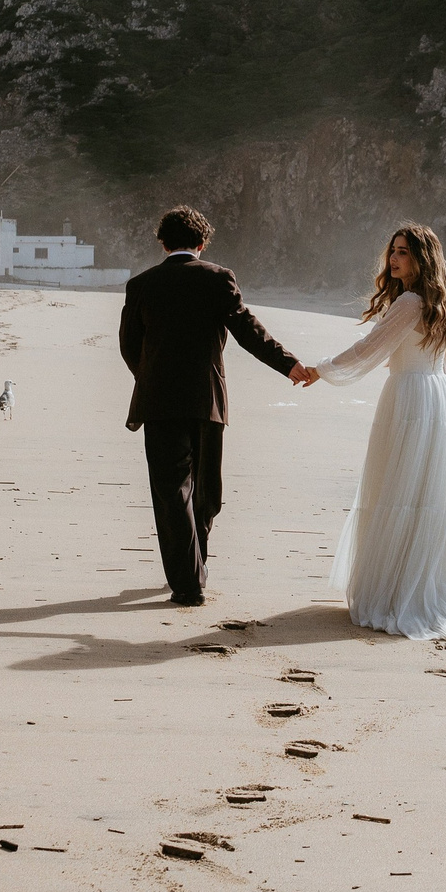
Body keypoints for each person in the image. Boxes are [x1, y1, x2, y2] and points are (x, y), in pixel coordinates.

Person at [311, 225, 446, 641]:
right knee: (426, 496)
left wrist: (321, 370)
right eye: (392, 252)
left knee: (399, 492)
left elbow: (369, 348)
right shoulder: (445, 304)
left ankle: (399, 592)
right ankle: (416, 582)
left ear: (422, 259)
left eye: (403, 252)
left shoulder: (408, 303)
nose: (393, 260)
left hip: (409, 399)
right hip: (438, 401)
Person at [116, 205, 312, 606]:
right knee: (207, 493)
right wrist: (288, 365)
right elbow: (247, 330)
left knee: (172, 491)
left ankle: (189, 577)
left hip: (158, 403)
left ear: (163, 242)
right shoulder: (218, 279)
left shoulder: (141, 285)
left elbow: (128, 345)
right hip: (208, 400)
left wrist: (150, 376)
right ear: (201, 244)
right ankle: (192, 576)